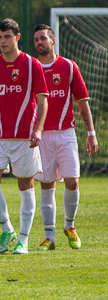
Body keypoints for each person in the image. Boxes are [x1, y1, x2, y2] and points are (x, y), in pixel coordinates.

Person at [0, 18, 48, 255]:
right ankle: (7, 228)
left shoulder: (32, 65)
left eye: (7, 37)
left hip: (24, 137)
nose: (2, 42)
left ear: (17, 37)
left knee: (25, 185)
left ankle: (23, 239)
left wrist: (38, 129)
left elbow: (42, 101)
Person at [31, 24, 96, 250]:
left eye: (43, 38)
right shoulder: (31, 67)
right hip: (41, 136)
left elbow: (82, 100)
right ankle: (49, 236)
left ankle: (69, 225)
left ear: (53, 41)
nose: (39, 43)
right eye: (36, 39)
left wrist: (91, 133)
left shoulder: (68, 66)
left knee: (72, 181)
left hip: (66, 133)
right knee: (46, 185)